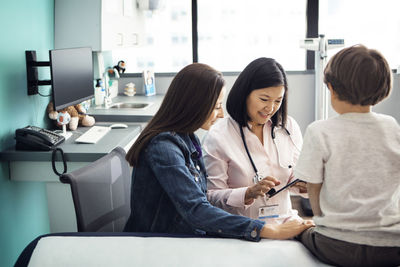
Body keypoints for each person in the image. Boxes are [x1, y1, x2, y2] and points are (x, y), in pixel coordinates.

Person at [124, 63, 313, 241]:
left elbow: (199, 200)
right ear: (193, 105)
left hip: (194, 235)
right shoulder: (163, 148)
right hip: (163, 243)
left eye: (278, 100)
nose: (221, 114)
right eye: (216, 107)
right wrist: (266, 229)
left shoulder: (188, 139)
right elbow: (198, 208)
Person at [294, 45, 400, 266]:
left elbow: (313, 186)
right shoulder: (392, 127)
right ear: (383, 87)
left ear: (331, 89)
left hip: (337, 245)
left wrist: (320, 221)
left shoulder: (319, 130)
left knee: (300, 231)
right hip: (391, 247)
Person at [203, 57, 307, 225]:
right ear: (245, 94)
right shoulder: (218, 136)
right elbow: (210, 196)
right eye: (264, 99)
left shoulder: (288, 127)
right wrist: (247, 193)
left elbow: (293, 177)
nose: (271, 108)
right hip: (244, 227)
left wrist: (304, 185)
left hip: (286, 222)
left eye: (278, 101)